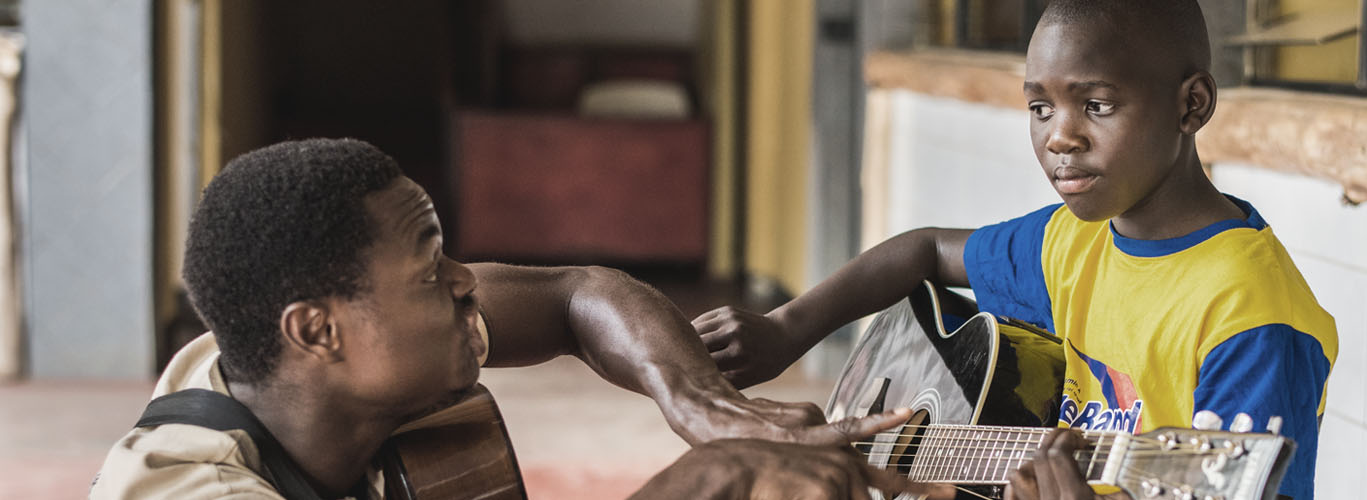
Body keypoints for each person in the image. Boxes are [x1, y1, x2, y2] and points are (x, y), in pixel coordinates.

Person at [694, 0, 1337, 498]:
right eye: (1040, 108)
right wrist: (786, 329)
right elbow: (923, 251)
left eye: (1096, 104)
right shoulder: (1071, 240)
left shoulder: (1250, 317)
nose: (1060, 137)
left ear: (1191, 105)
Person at [89, 138, 954, 500]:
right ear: (318, 332)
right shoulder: (190, 488)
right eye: (430, 270)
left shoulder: (280, 367)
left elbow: (578, 293)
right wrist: (703, 481)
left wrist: (707, 409)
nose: (467, 282)